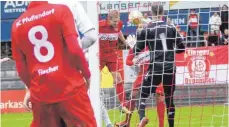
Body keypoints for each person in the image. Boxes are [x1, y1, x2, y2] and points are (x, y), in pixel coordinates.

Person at [12, 2, 96, 127]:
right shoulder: (62, 10)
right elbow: (74, 49)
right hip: (70, 87)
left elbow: (21, 69)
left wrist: (33, 88)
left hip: (42, 94)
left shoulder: (17, 25)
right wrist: (86, 74)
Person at [132, 4, 185, 127]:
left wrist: (133, 43)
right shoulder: (171, 28)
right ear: (163, 13)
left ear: (151, 13)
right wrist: (172, 51)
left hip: (156, 68)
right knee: (169, 99)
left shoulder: (147, 29)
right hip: (170, 69)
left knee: (143, 95)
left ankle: (142, 118)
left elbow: (137, 50)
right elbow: (182, 48)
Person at [115, 34, 165, 127]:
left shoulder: (152, 44)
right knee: (133, 96)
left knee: (159, 96)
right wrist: (135, 59)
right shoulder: (135, 47)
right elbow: (128, 62)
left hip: (155, 72)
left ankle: (161, 125)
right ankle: (127, 122)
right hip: (142, 74)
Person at [99, 10, 130, 114]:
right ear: (108, 19)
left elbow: (119, 32)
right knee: (94, 79)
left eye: (118, 21)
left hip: (112, 56)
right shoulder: (99, 25)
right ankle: (91, 101)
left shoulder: (119, 24)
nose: (117, 23)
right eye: (115, 21)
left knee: (118, 79)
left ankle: (123, 105)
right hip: (100, 57)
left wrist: (125, 42)